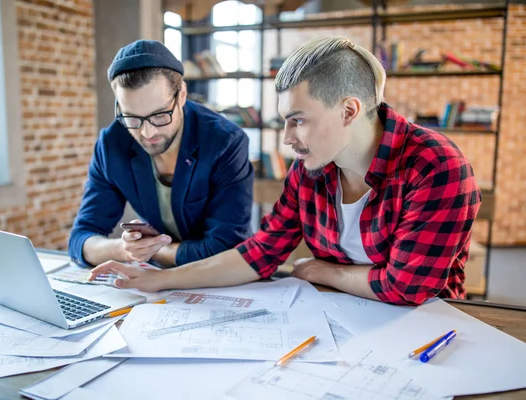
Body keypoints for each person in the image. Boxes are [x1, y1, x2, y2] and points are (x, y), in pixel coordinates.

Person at [88, 37, 482, 306]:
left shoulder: (436, 166)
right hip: (337, 315)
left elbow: (407, 286)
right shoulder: (310, 171)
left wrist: (322, 270)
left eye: (298, 121)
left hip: (426, 328)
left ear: (349, 111)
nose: (287, 139)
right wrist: (158, 279)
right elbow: (258, 254)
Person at [69, 40, 254, 268]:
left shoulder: (225, 142)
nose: (147, 132)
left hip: (218, 278)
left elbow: (227, 247)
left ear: (182, 94)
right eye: (132, 117)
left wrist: (152, 252)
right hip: (158, 284)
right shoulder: (111, 144)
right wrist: (124, 249)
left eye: (159, 115)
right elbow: (80, 239)